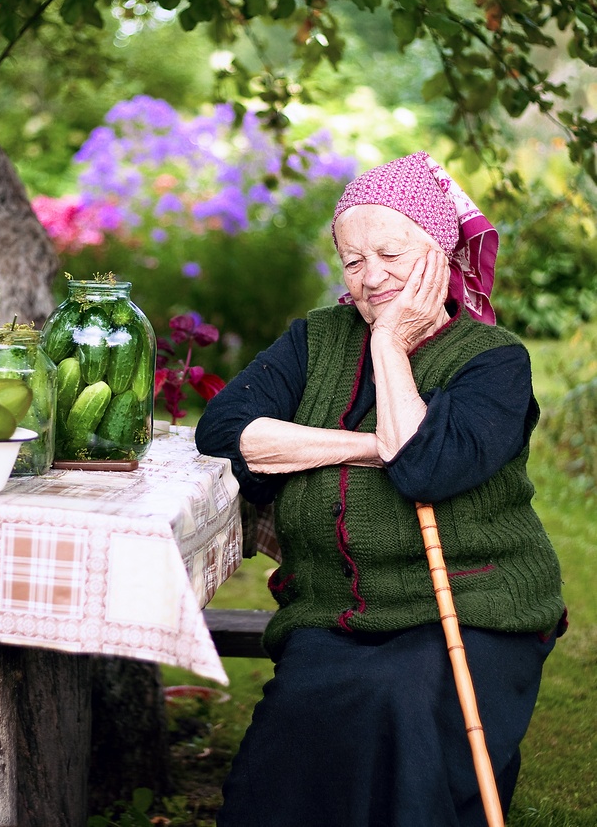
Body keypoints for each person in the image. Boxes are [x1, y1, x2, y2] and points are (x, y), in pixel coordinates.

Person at [194, 151, 567, 827]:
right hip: (336, 611)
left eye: (391, 254)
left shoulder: (493, 360)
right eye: (352, 261)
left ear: (438, 253)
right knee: (288, 747)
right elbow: (224, 432)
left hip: (470, 606)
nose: (371, 278)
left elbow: (426, 470)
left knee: (404, 702)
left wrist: (391, 347)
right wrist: (375, 449)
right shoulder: (316, 338)